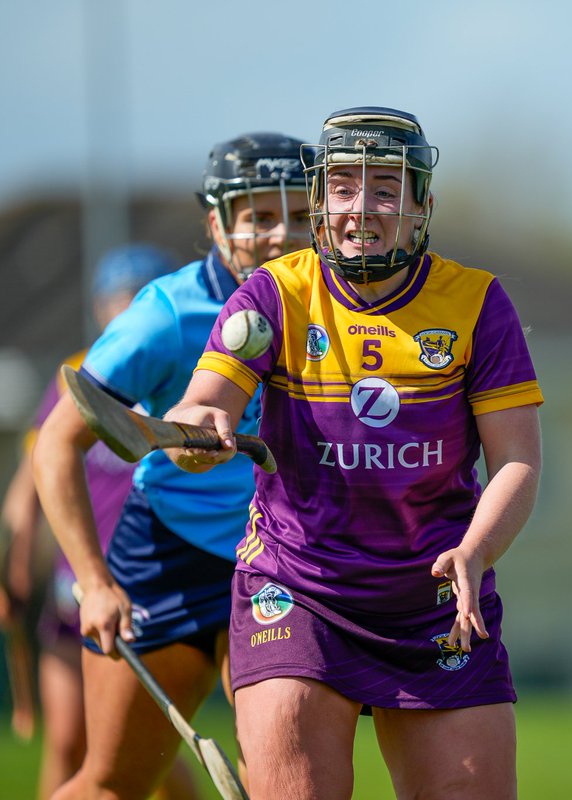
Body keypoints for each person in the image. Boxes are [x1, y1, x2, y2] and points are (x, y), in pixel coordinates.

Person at [162, 106, 543, 800]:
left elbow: (516, 460)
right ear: (318, 199)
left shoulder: (477, 304)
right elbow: (206, 402)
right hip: (298, 586)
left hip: (437, 596)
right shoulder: (274, 295)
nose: (359, 209)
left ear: (422, 205)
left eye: (385, 189)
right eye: (341, 187)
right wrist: (197, 430)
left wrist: (478, 549)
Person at [31, 132, 309, 799]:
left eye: (300, 215)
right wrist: (94, 582)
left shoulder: (339, 309)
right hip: (169, 557)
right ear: (217, 224)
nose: (282, 236)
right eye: (260, 217)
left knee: (283, 783)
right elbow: (55, 442)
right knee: (115, 783)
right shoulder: (164, 314)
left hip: (282, 562)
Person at [0, 244, 205, 799]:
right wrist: (15, 571)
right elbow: (29, 486)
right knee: (70, 740)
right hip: (80, 586)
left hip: (155, 581)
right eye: (118, 299)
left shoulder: (188, 369)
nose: (126, 311)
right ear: (99, 307)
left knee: (151, 748)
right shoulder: (79, 377)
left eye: (140, 297)